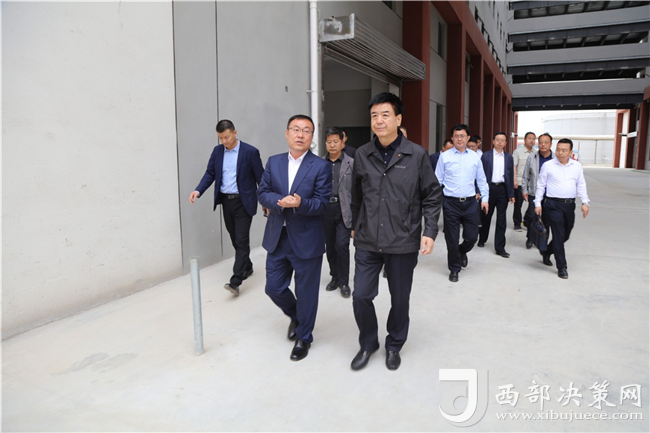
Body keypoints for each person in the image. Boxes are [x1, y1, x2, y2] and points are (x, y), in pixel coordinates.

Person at [350, 92, 442, 371]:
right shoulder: (362, 154)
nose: (379, 120)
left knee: (400, 299)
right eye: (374, 116)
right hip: (368, 238)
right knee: (361, 295)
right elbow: (356, 195)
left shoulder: (416, 154)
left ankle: (394, 344)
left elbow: (432, 195)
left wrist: (429, 231)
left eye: (385, 115)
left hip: (402, 238)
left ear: (398, 119)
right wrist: (355, 225)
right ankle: (368, 343)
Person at [257, 114, 332, 361]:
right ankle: (298, 316)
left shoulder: (320, 166)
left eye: (306, 131)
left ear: (312, 137)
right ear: (287, 133)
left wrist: (300, 203)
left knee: (306, 292)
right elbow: (263, 192)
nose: (300, 135)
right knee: (273, 287)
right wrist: (280, 201)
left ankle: (304, 337)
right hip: (277, 237)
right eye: (296, 129)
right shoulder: (274, 162)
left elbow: (321, 203)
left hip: (307, 239)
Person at [189, 120, 264, 296]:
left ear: (235, 133)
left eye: (227, 137)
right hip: (226, 202)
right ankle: (247, 266)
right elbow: (210, 173)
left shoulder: (250, 152)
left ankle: (236, 281)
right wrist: (198, 190)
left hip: (244, 202)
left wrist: (266, 202)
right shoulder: (217, 151)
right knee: (234, 238)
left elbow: (260, 178)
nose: (224, 141)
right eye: (221, 138)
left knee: (242, 240)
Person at [435, 125, 489, 282]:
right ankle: (454, 268)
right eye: (456, 136)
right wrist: (433, 199)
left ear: (468, 138)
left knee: (472, 237)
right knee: (451, 238)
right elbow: (437, 180)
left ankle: (461, 250)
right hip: (450, 203)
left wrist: (485, 199)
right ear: (452, 138)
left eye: (462, 136)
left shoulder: (475, 157)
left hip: (470, 202)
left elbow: (481, 180)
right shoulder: (444, 157)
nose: (459, 139)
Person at [534, 138, 590, 279]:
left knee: (566, 234)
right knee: (558, 235)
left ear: (571, 152)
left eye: (564, 150)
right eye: (558, 150)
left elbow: (581, 184)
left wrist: (585, 202)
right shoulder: (548, 165)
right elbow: (541, 185)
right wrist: (537, 203)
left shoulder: (576, 166)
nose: (560, 153)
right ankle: (562, 267)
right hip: (552, 205)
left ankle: (547, 251)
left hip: (569, 205)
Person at [322, 127, 354, 298]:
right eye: (329, 142)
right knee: (330, 247)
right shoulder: (320, 163)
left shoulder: (351, 163)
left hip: (344, 210)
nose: (332, 145)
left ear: (343, 142)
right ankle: (334, 277)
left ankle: (344, 281)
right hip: (326, 210)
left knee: (342, 246)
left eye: (335, 141)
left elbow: (357, 193)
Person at [477, 132, 515, 257]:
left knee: (501, 219)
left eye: (502, 140)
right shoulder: (486, 156)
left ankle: (500, 248)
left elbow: (510, 176)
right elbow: (480, 175)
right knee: (486, 216)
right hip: (489, 189)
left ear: (506, 143)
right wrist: (479, 191)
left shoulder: (509, 157)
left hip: (502, 190)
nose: (499, 142)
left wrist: (511, 194)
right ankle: (482, 238)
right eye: (497, 139)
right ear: (493, 141)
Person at [522, 133, 554, 249]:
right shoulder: (532, 157)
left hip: (550, 195)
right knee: (532, 216)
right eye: (540, 142)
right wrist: (524, 190)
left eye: (546, 142)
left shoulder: (555, 159)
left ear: (551, 144)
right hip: (534, 193)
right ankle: (530, 238)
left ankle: (543, 241)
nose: (543, 145)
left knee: (546, 219)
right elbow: (526, 175)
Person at [513, 132, 536, 232]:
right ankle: (517, 223)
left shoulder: (536, 153)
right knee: (518, 205)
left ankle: (526, 221)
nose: (532, 141)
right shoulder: (518, 152)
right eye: (529, 138)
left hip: (532, 184)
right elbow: (514, 166)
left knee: (532, 204)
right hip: (520, 182)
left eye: (533, 139)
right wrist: (514, 180)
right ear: (525, 140)